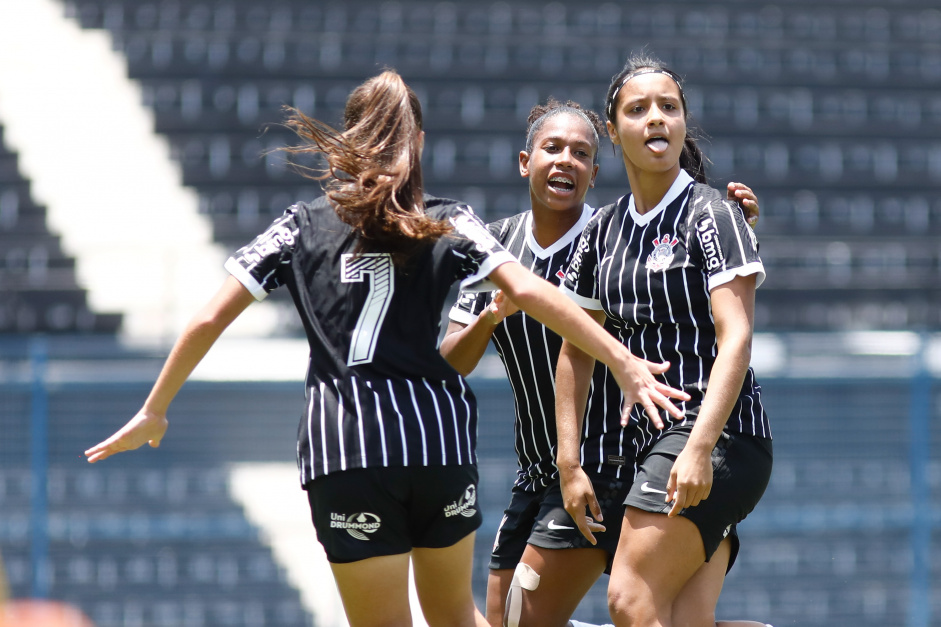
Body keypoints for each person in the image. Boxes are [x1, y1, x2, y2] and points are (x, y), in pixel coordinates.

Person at [83, 70, 690, 627]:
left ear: (350, 140)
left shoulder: (300, 225)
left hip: (346, 450)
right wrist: (624, 360)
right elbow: (534, 292)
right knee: (458, 617)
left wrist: (154, 408)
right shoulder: (449, 220)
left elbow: (206, 320)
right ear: (419, 141)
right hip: (436, 445)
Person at [442, 99, 768, 627]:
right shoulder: (494, 247)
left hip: (620, 463)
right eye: (553, 148)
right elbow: (453, 360)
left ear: (595, 172)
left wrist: (738, 228)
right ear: (525, 162)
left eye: (580, 153)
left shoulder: (613, 236)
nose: (565, 160)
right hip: (542, 467)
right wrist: (489, 318)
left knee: (617, 607)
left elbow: (693, 299)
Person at [556, 56, 773, 627]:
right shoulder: (601, 231)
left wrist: (701, 446)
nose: (656, 119)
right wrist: (569, 461)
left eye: (668, 107)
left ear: (683, 121)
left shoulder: (713, 213)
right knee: (678, 620)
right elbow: (576, 350)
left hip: (719, 437)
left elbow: (738, 338)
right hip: (647, 448)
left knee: (629, 599)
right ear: (612, 130)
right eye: (638, 109)